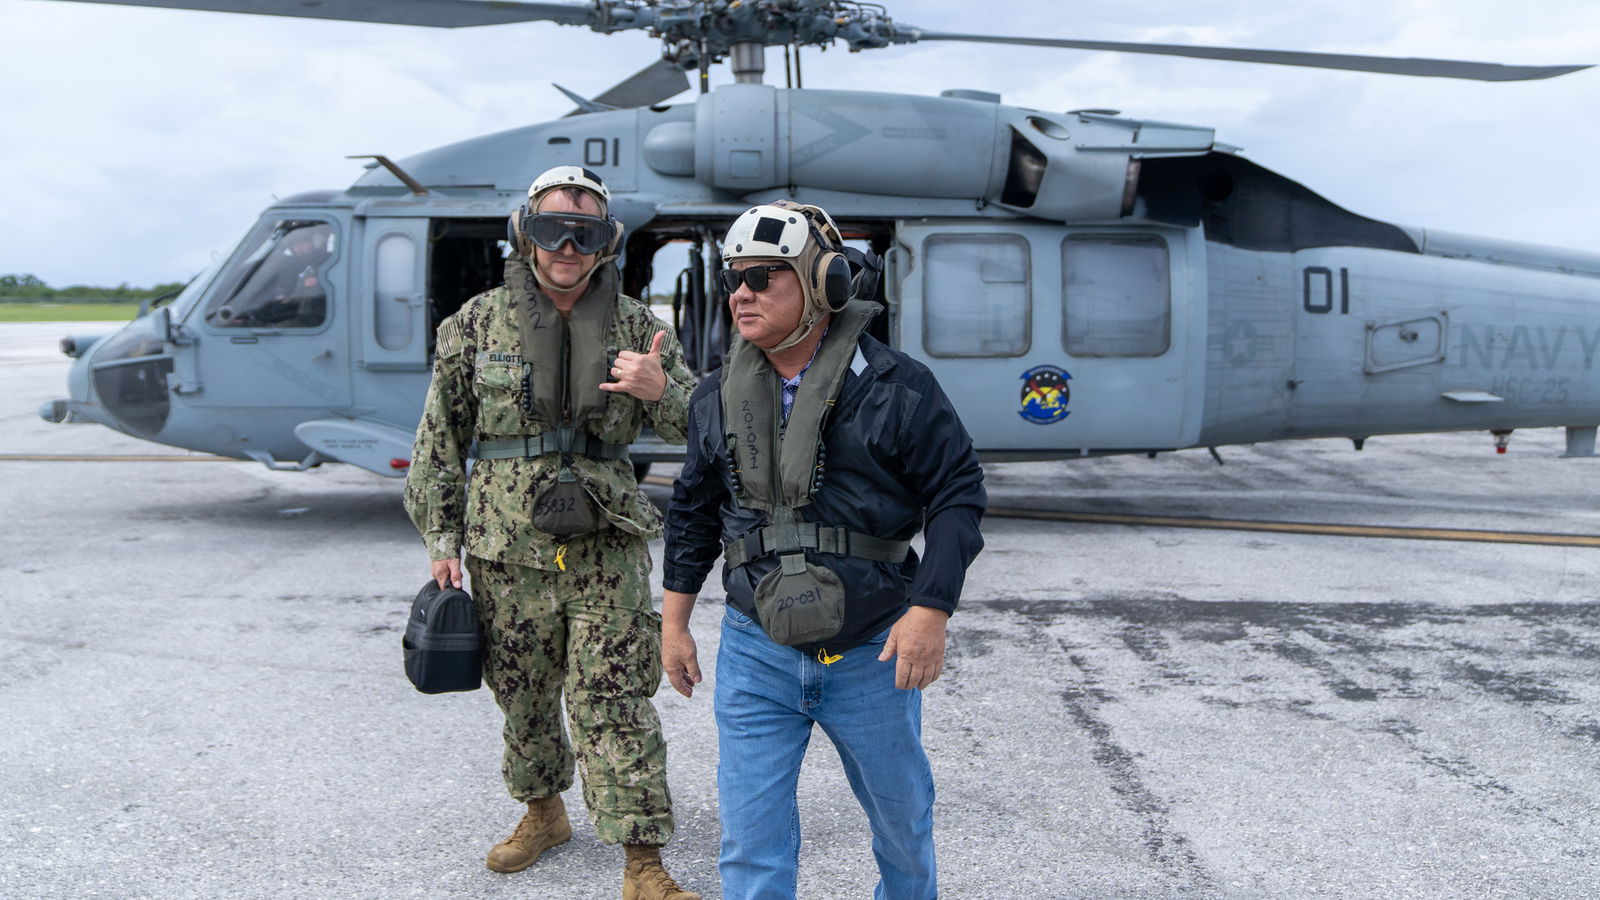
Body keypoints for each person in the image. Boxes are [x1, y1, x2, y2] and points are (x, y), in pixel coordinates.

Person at [659, 201, 986, 899]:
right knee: (751, 843)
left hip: (872, 651)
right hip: (756, 650)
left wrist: (931, 608)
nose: (741, 293)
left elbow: (958, 494)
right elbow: (692, 508)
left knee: (902, 826)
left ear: (824, 284)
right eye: (734, 278)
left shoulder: (898, 389)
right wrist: (675, 624)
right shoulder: (716, 396)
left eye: (763, 277)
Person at [404, 166, 700, 900]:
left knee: (614, 700)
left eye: (586, 232)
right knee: (523, 694)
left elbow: (706, 428)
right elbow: (439, 439)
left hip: (606, 547)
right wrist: (441, 539)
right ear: (523, 232)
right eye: (551, 228)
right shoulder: (474, 325)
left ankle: (642, 861)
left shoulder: (641, 327)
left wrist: (662, 391)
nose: (568, 245)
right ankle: (543, 813)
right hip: (505, 548)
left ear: (608, 242)